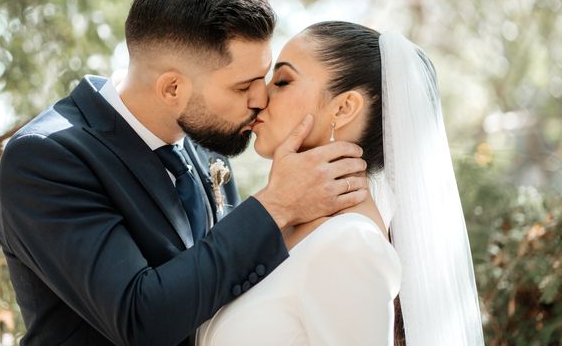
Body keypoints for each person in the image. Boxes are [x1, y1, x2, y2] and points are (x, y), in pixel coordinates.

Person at [0, 0, 369, 346]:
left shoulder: (207, 145)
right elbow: (140, 320)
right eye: (243, 86)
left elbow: (228, 287)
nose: (261, 99)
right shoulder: (46, 157)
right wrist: (276, 206)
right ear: (172, 87)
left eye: (264, 78)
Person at [197, 21, 485, 346]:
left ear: (344, 108)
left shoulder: (350, 245)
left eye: (282, 81)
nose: (260, 96)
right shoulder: (285, 230)